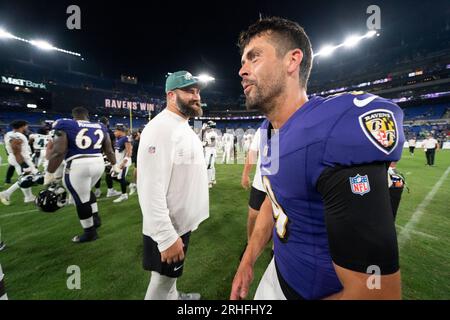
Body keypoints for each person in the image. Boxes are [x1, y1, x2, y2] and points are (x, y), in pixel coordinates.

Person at [231, 17, 404, 300]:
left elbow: (378, 293)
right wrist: (248, 259)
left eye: (254, 57)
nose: (242, 70)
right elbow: (274, 200)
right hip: (279, 272)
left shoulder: (333, 131)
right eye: (243, 61)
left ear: (292, 61)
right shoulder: (269, 130)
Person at [137, 71, 209, 300]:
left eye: (197, 91)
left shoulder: (180, 125)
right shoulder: (160, 128)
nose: (196, 96)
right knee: (161, 280)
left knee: (170, 278)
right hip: (168, 225)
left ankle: (174, 297)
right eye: (189, 91)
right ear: (171, 95)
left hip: (179, 221)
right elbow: (149, 188)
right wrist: (166, 236)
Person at [44, 107, 117, 243]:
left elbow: (59, 151)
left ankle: (89, 232)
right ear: (87, 116)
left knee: (81, 199)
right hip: (98, 163)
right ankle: (95, 218)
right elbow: (109, 150)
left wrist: (49, 173)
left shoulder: (65, 124)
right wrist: (114, 165)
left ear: (74, 116)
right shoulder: (100, 126)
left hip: (78, 165)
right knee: (87, 191)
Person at [0, 120, 37, 205]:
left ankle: (28, 196)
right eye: (26, 125)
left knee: (27, 177)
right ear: (22, 126)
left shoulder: (9, 133)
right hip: (21, 159)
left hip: (17, 158)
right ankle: (6, 193)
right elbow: (16, 148)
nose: (27, 127)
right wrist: (23, 164)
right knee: (25, 178)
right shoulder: (17, 135)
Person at [241, 128, 266, 243]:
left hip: (282, 183)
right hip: (260, 182)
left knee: (279, 217)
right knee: (253, 214)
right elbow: (253, 152)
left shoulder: (293, 126)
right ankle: (250, 241)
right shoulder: (263, 129)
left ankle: (276, 248)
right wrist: (245, 174)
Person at [93, 117, 120, 199]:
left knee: (97, 174)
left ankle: (97, 191)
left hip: (96, 154)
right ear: (107, 122)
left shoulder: (93, 129)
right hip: (106, 154)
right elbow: (111, 145)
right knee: (108, 173)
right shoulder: (107, 131)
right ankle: (110, 190)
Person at [111, 125, 132, 203]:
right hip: (118, 162)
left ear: (120, 131)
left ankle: (124, 195)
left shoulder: (126, 138)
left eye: (116, 131)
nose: (114, 132)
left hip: (123, 163)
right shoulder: (118, 139)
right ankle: (130, 185)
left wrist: (124, 162)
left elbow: (129, 152)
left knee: (121, 178)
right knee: (113, 176)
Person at [203, 121, 219, 188]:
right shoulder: (208, 133)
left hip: (211, 151)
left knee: (209, 166)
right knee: (212, 166)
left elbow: (212, 143)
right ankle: (213, 179)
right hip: (208, 151)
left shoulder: (213, 134)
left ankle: (209, 182)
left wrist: (204, 144)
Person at [129, 129, 141, 196]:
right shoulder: (136, 142)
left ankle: (135, 183)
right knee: (136, 169)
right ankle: (135, 183)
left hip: (135, 157)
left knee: (136, 169)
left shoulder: (135, 141)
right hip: (137, 157)